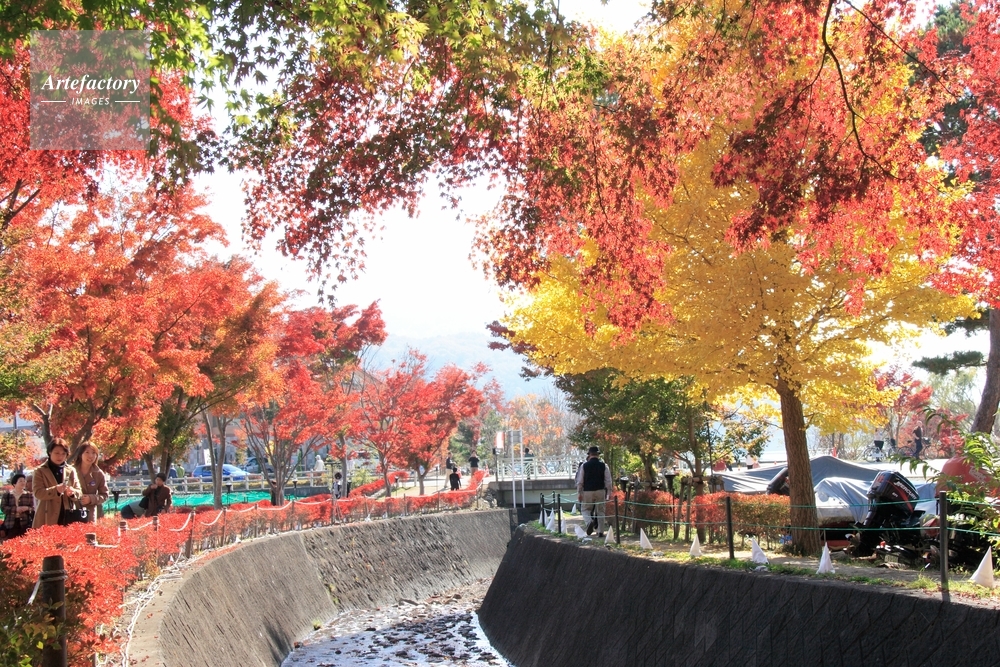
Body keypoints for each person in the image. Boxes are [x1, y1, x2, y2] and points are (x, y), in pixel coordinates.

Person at [32, 438, 83, 527]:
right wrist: (56, 490)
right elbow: (38, 493)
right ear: (50, 452)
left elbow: (79, 492)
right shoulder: (40, 471)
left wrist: (73, 493)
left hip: (67, 514)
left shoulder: (71, 470)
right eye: (57, 453)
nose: (60, 457)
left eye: (63, 454)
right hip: (47, 515)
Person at [575, 445, 613, 537]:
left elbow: (580, 481)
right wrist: (608, 494)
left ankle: (589, 522)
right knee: (601, 511)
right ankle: (600, 532)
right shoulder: (604, 466)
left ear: (589, 454)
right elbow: (608, 481)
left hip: (587, 491)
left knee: (585, 509)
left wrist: (579, 493)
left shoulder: (584, 466)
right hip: (600, 490)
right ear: (598, 454)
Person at [71, 441, 109, 524]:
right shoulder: (71, 471)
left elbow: (104, 495)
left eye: (93, 453)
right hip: (72, 511)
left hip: (90, 514)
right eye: (87, 452)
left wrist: (91, 499)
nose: (90, 456)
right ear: (80, 454)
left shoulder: (98, 473)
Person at [1, 472, 34, 539]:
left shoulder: (29, 495)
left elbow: (33, 508)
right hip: (11, 523)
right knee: (11, 541)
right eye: (20, 481)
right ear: (14, 483)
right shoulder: (7, 495)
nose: (23, 483)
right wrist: (15, 509)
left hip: (25, 523)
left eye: (24, 481)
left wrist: (27, 508)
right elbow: (3, 508)